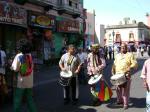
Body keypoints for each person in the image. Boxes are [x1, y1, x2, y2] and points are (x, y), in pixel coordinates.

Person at [11, 39, 37, 112]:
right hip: (29, 81)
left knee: (17, 100)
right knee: (30, 99)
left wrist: (10, 64)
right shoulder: (30, 56)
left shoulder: (19, 56)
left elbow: (15, 68)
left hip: (21, 82)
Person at [112, 43, 137, 110]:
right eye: (122, 47)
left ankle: (125, 104)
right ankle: (119, 101)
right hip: (117, 75)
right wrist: (113, 70)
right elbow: (114, 64)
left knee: (125, 91)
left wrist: (130, 68)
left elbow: (134, 63)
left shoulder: (130, 55)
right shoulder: (117, 55)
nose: (123, 48)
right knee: (118, 89)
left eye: (124, 47)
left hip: (126, 75)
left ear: (126, 48)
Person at [141, 47, 150, 112]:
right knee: (149, 101)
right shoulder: (147, 62)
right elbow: (143, 74)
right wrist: (144, 82)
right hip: (149, 85)